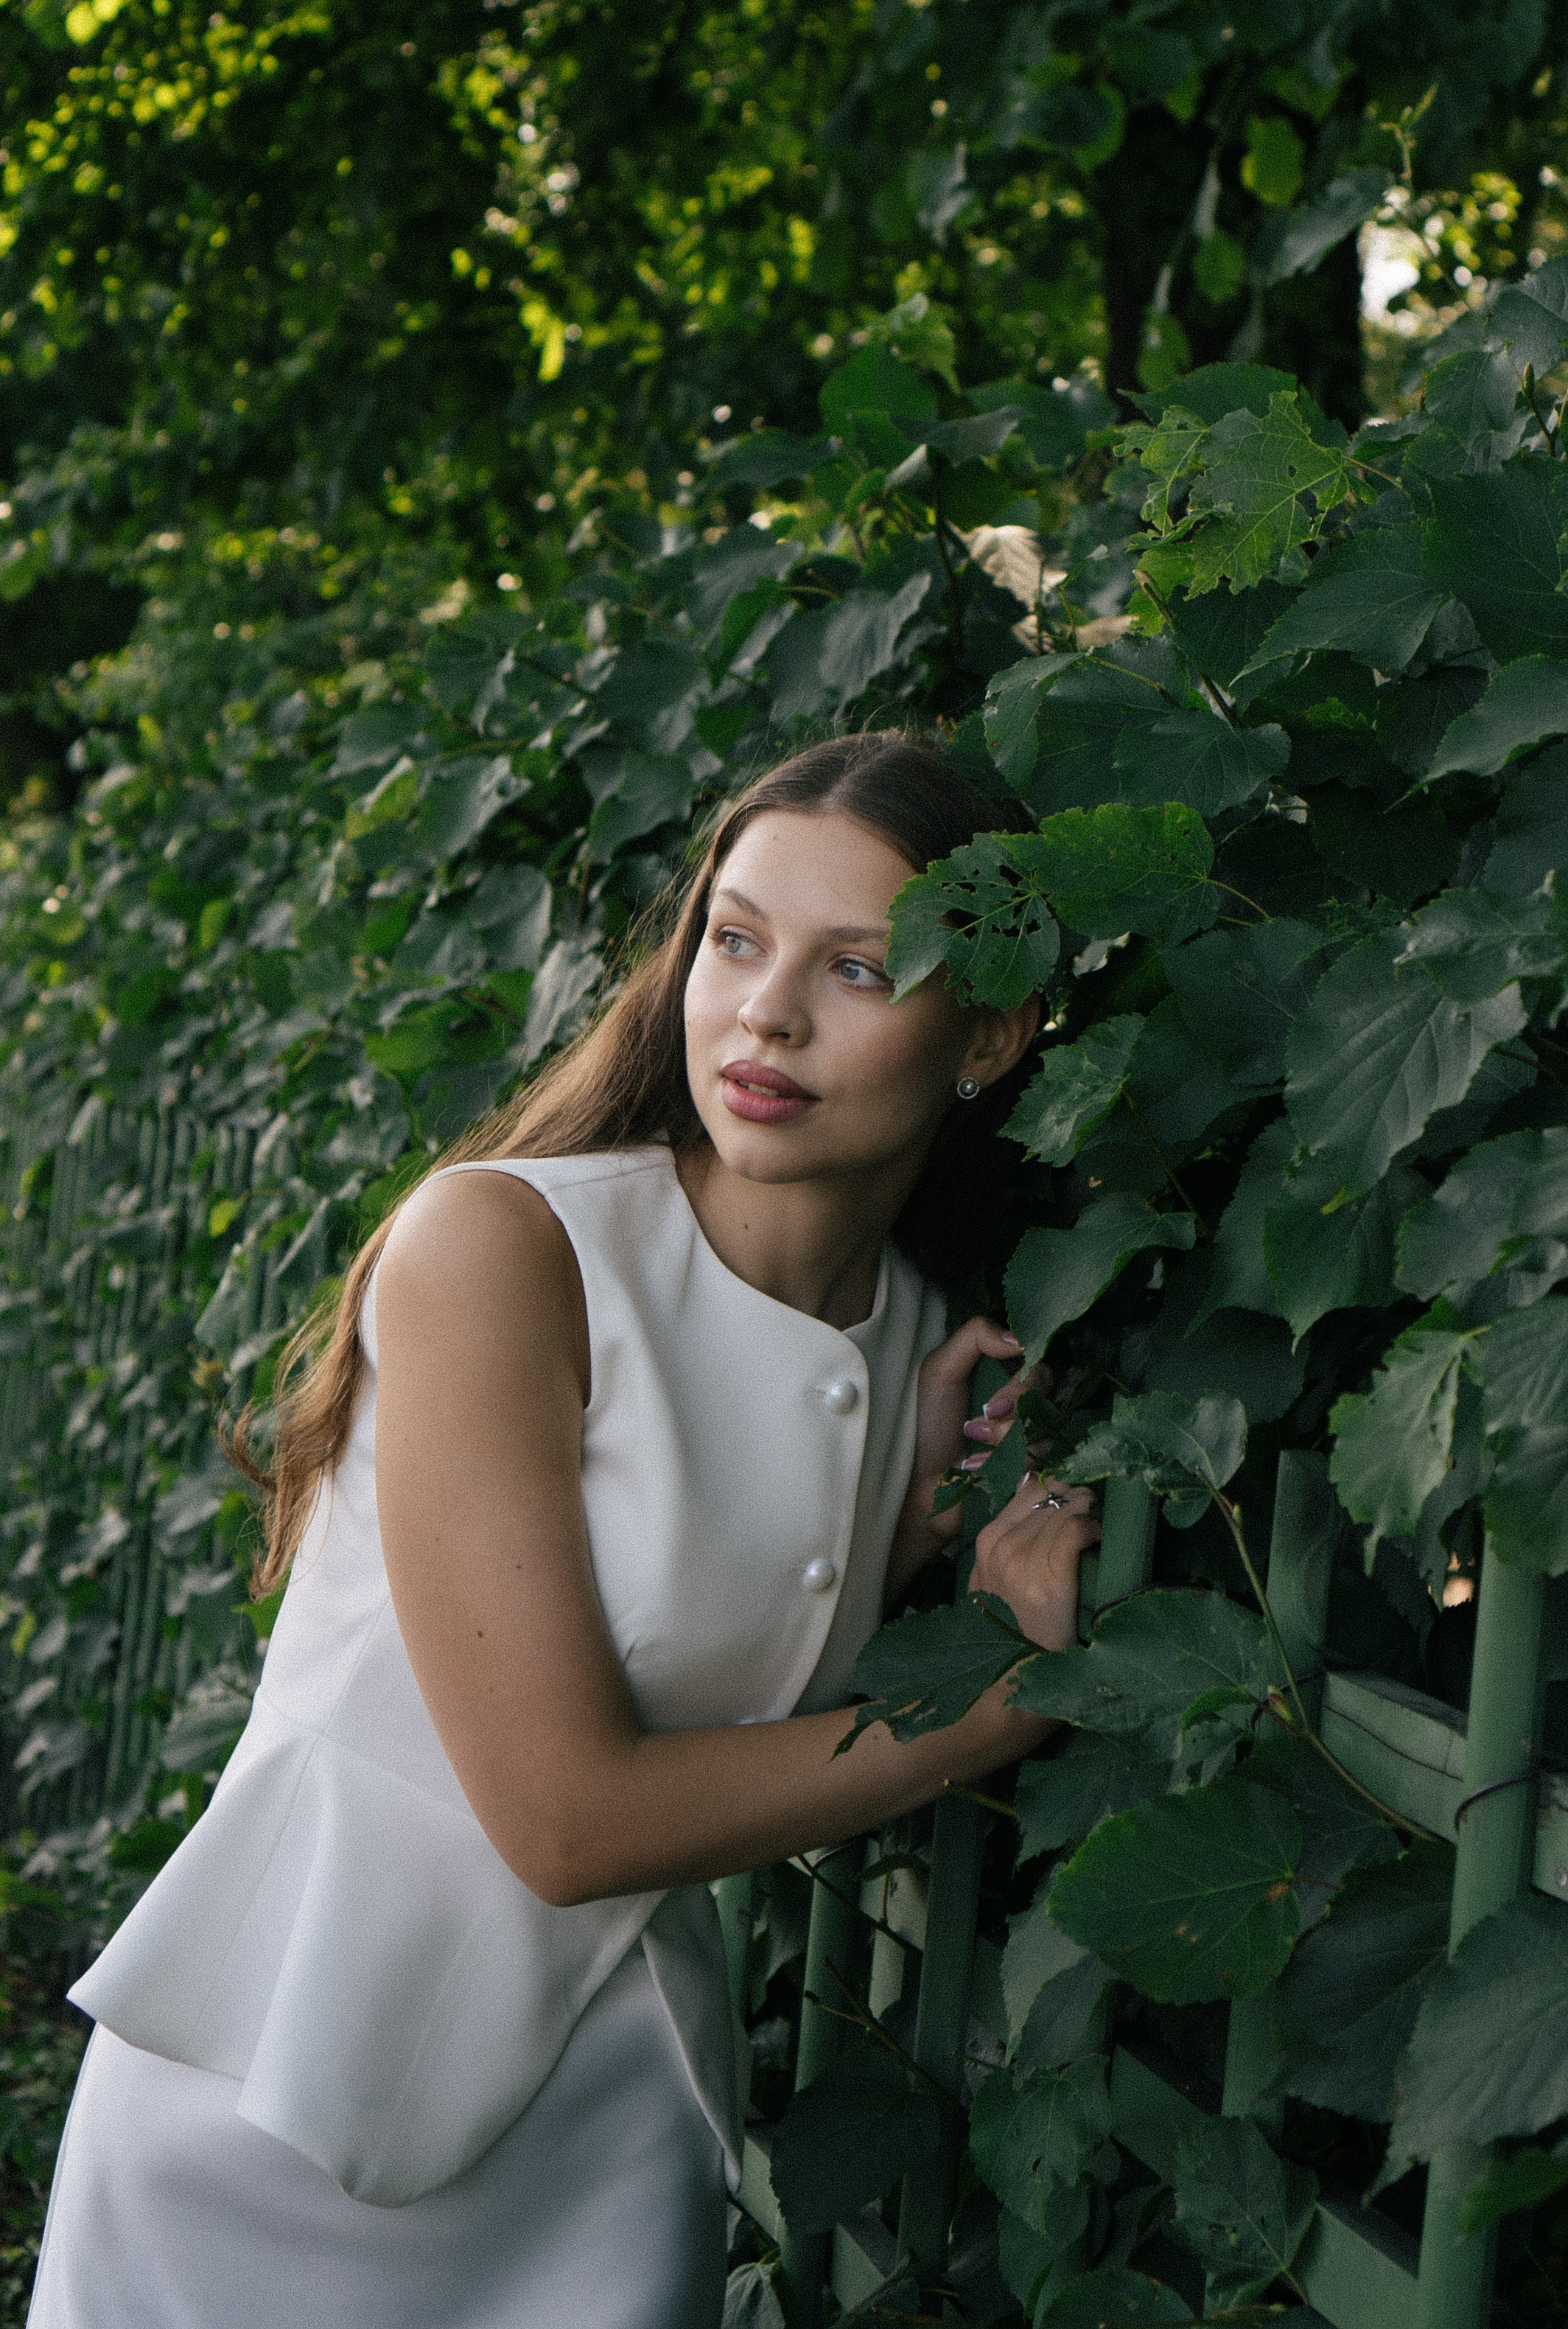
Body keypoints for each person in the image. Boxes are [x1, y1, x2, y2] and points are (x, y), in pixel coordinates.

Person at [28, 730, 1100, 2329]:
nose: (767, 1013)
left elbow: (737, 1706)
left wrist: (905, 1541)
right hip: (265, 2127)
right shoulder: (503, 1249)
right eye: (734, 940)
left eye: (858, 968)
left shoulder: (920, 1342)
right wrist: (1002, 1701)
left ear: (990, 1036)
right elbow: (565, 1820)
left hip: (604, 2133)